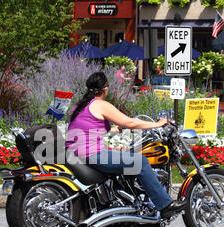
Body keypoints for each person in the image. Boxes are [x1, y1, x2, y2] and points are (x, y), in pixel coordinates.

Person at [65, 71, 186, 219]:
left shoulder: (80, 105)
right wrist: (157, 124)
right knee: (140, 162)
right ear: (104, 89)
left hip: (76, 153)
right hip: (92, 154)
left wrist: (114, 129)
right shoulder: (101, 104)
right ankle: (165, 205)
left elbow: (89, 127)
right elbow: (130, 122)